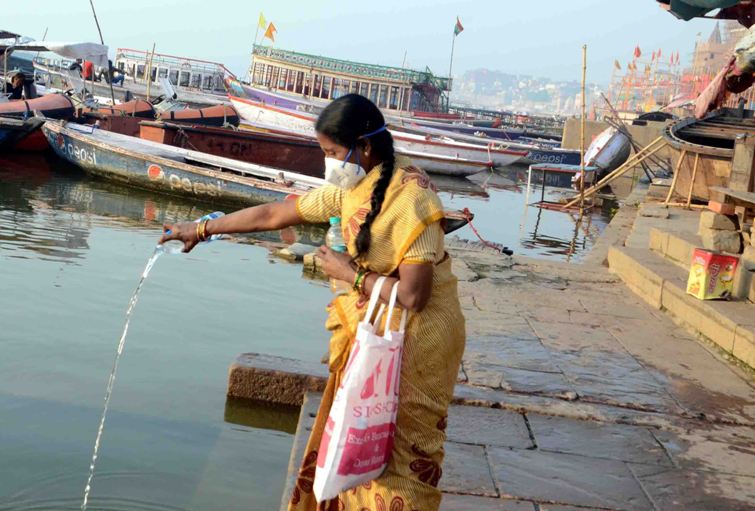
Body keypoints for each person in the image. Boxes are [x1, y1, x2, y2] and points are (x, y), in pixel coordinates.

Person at [160, 94, 466, 510]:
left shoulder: (413, 198)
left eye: (333, 153)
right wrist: (202, 228)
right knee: (361, 436)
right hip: (378, 330)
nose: (329, 164)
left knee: (407, 453)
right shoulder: (351, 189)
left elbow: (415, 295)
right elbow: (274, 215)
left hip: (421, 338)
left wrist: (350, 274)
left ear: (366, 146)